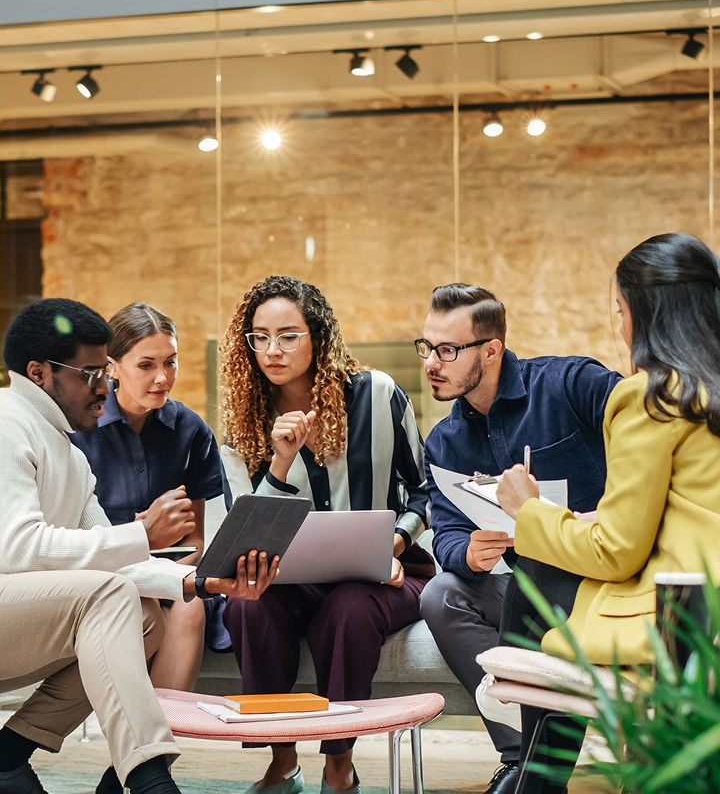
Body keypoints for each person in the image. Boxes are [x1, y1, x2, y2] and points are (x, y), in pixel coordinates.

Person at [0, 298, 277, 794]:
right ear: (39, 373)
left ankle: (0, 764)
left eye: (104, 371)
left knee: (145, 615)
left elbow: (117, 561)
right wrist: (143, 533)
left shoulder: (67, 452)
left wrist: (199, 581)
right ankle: (149, 780)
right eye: (90, 373)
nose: (104, 386)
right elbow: (18, 552)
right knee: (110, 596)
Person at [495, 232, 720, 794]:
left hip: (686, 619)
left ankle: (535, 778)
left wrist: (530, 511)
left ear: (645, 315)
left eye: (619, 310)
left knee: (534, 577)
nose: (619, 327)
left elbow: (616, 553)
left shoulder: (652, 396)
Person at [219, 275, 434, 794]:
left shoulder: (378, 395)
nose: (272, 350)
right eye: (260, 336)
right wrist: (280, 461)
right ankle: (283, 757)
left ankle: (339, 759)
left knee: (350, 608)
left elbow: (425, 492)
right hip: (291, 582)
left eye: (289, 335)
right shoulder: (242, 425)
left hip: (385, 576)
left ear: (317, 336)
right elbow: (245, 531)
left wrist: (394, 543)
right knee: (247, 606)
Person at [416, 283, 621, 794]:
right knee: (441, 593)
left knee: (541, 569)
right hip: (512, 586)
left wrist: (593, 516)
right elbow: (445, 535)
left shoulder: (570, 383)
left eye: (447, 350)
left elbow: (645, 425)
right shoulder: (442, 441)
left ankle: (538, 768)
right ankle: (518, 755)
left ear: (490, 350)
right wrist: (466, 553)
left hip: (597, 579)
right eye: (426, 347)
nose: (431, 363)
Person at [70, 301, 226, 794]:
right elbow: (64, 539)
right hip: (98, 574)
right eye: (147, 364)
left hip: (165, 575)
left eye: (171, 361)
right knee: (142, 612)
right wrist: (138, 530)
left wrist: (181, 556)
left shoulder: (190, 430)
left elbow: (195, 541)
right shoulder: (77, 432)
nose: (163, 377)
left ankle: (138, 771)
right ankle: (140, 774)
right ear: (111, 367)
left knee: (190, 605)